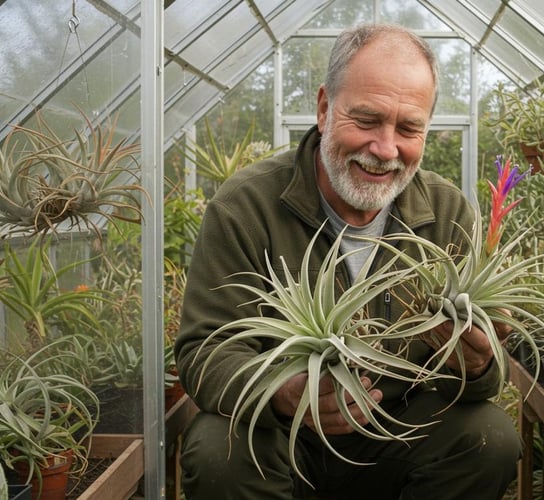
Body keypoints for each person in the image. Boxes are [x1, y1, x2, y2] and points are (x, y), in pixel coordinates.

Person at [175, 22, 522, 500]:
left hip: (396, 433)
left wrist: (481, 365)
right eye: (366, 120)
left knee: (489, 437)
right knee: (218, 450)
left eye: (408, 128)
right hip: (283, 436)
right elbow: (205, 350)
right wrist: (284, 395)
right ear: (324, 109)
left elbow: (485, 373)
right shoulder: (246, 206)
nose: (385, 149)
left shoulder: (448, 213)